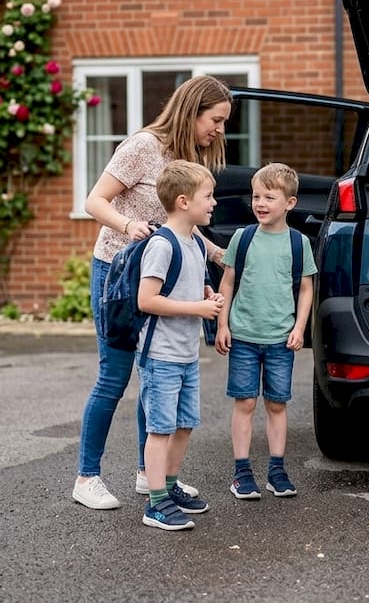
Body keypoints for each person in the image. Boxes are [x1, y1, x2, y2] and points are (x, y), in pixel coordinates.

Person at [72, 75, 230, 511]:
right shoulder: (142, 145)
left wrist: (219, 253)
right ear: (192, 109)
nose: (218, 130)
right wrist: (128, 226)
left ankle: (150, 473)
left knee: (154, 378)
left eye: (222, 123)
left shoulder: (185, 159)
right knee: (115, 376)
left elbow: (187, 223)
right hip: (119, 276)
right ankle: (87, 477)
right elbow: (95, 201)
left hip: (160, 278)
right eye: (215, 120)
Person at [215, 163, 317, 500]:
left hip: (280, 339)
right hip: (243, 336)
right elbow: (227, 282)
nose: (260, 203)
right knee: (244, 402)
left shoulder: (298, 243)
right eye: (256, 196)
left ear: (289, 203)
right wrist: (222, 324)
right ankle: (241, 472)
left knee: (276, 405)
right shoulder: (242, 238)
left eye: (269, 197)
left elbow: (305, 288)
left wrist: (300, 328)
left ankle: (276, 471)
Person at [137, 159, 222, 530]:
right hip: (161, 355)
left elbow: (186, 286)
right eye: (209, 196)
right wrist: (198, 307)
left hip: (187, 354)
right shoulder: (162, 244)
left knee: (185, 424)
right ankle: (155, 503)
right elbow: (147, 300)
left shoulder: (195, 245)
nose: (214, 202)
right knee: (160, 428)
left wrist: (204, 293)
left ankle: (169, 488)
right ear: (184, 201)